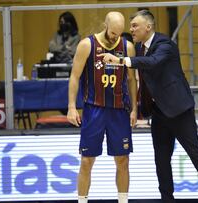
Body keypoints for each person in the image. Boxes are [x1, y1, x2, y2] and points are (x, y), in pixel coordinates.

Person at [100, 10, 198, 203]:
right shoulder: (140, 47)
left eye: (135, 26)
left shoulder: (164, 44)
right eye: (131, 25)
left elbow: (153, 62)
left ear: (148, 27)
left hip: (179, 109)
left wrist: (121, 61)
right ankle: (167, 200)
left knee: (196, 155)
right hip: (159, 112)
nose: (131, 29)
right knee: (161, 160)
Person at [66, 12, 137, 203]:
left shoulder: (127, 46)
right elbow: (74, 76)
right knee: (87, 161)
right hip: (93, 110)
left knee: (123, 161)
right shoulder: (87, 45)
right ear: (105, 25)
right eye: (113, 32)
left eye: (119, 33)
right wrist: (72, 107)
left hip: (119, 110)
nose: (116, 36)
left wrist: (134, 109)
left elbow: (132, 80)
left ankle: (123, 201)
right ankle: (82, 201)